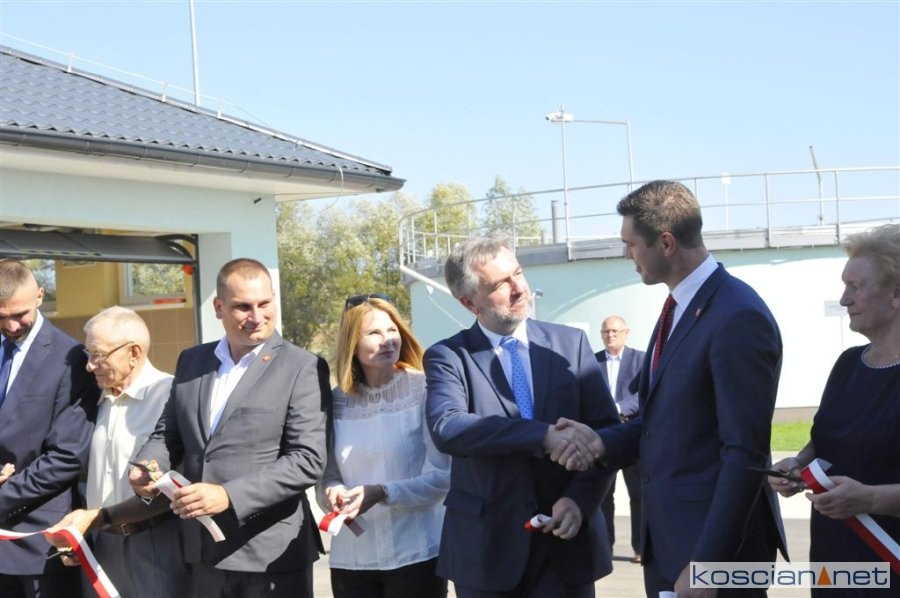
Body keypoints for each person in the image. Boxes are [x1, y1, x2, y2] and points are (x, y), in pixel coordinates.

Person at [553, 180, 788, 597]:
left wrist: (708, 564)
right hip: (668, 545)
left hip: (712, 554)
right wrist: (599, 443)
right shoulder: (679, 307)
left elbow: (745, 453)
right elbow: (659, 421)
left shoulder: (737, 316)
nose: (627, 255)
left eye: (631, 245)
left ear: (665, 243)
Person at [108, 257, 328, 598]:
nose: (257, 317)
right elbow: (168, 433)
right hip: (201, 552)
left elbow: (307, 460)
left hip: (269, 555)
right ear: (218, 308)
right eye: (243, 307)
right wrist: (148, 464)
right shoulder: (192, 361)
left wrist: (228, 496)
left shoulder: (303, 367)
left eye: (265, 304)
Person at [424, 236, 620, 597]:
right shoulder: (450, 357)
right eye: (500, 284)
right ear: (469, 302)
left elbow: (606, 434)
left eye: (518, 273)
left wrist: (581, 500)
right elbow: (448, 426)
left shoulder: (571, 345)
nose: (519, 288)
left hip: (565, 550)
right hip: (487, 552)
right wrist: (543, 436)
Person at [770, 223, 900, 596]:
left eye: (855, 287)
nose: (844, 300)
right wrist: (798, 466)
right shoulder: (847, 364)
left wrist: (871, 498)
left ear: (896, 294)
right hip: (835, 562)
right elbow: (826, 441)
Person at [317, 294, 450, 598]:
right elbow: (327, 474)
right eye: (374, 333)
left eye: (392, 330)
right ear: (352, 342)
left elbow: (442, 475)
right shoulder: (334, 402)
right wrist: (333, 491)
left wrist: (383, 492)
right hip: (352, 560)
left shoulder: (425, 389)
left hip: (417, 554)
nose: (388, 340)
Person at [0, 259, 98, 598]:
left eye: (20, 314)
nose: (11, 325)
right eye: (1, 316)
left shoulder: (71, 359)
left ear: (40, 296)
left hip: (37, 543)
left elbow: (66, 456)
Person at [75, 306, 187, 597]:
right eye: (88, 353)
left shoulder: (171, 395)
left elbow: (177, 480)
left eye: (98, 354)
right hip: (100, 545)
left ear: (134, 353)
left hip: (155, 542)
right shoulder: (94, 400)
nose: (89, 365)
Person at [595, 315, 643, 564]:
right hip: (603, 436)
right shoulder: (591, 361)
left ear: (626, 332)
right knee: (603, 495)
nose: (610, 335)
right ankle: (605, 547)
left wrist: (617, 408)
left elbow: (644, 394)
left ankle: (641, 547)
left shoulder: (641, 360)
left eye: (614, 331)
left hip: (632, 434)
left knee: (639, 494)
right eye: (606, 331)